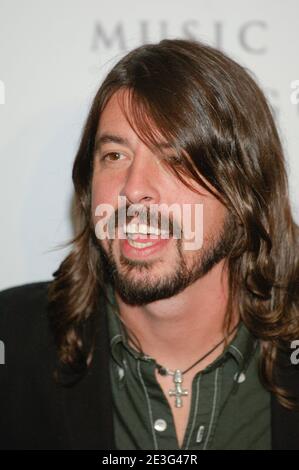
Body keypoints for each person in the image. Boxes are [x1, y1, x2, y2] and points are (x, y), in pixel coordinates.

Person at [0, 38, 298, 450]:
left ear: (245, 188)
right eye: (115, 156)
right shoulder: (12, 343)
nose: (134, 189)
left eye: (175, 158)